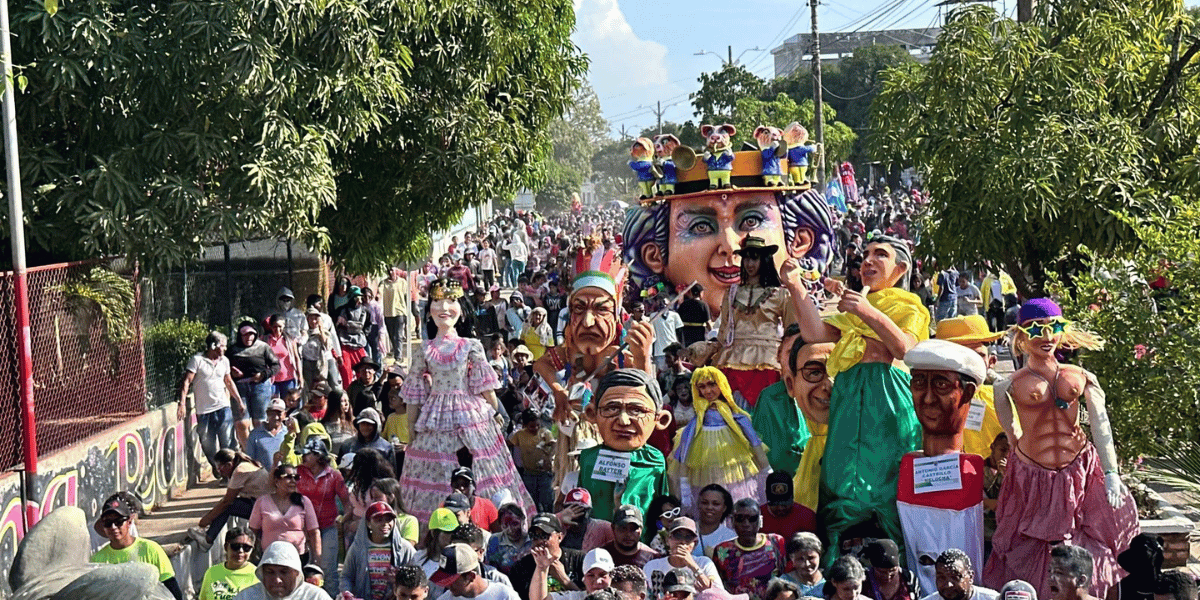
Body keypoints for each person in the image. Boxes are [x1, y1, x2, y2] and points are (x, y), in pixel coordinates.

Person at [785, 235, 928, 565]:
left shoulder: (909, 305)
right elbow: (815, 333)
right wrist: (795, 286)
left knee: (887, 487)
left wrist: (866, 312)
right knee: (839, 481)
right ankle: (838, 568)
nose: (868, 259)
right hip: (849, 399)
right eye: (865, 254)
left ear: (900, 268)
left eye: (880, 254)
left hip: (887, 400)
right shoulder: (854, 309)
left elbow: (905, 349)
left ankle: (896, 572)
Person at [984, 300, 1138, 600]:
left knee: (1088, 542)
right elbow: (1013, 437)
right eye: (1036, 329)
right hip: (1034, 480)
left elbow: (1100, 423)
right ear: (1021, 334)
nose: (1047, 336)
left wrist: (1110, 473)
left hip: (1079, 470)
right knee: (1027, 551)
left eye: (1053, 327)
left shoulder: (1080, 376)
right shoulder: (1007, 386)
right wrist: (1023, 467)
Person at [399, 278, 534, 523]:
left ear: (461, 308)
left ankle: (487, 518)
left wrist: (494, 414)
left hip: (470, 414)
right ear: (429, 308)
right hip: (434, 416)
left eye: (450, 301)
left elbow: (484, 387)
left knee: (484, 466)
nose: (443, 308)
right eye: (437, 301)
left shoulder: (470, 345)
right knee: (435, 471)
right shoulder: (425, 348)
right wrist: (411, 430)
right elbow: (414, 393)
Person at [897, 340, 988, 592]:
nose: (927, 398)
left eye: (940, 385)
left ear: (968, 393)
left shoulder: (975, 471)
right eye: (918, 384)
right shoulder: (907, 466)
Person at [574, 368, 672, 527]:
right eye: (612, 408)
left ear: (660, 419)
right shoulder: (589, 458)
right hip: (597, 545)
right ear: (592, 414)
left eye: (637, 410)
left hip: (642, 545)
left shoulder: (655, 460)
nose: (624, 421)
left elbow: (663, 507)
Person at [713, 236, 798, 409]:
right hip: (731, 359)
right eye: (746, 258)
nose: (749, 263)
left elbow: (792, 332)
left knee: (766, 414)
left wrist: (788, 362)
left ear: (764, 260)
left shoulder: (780, 294)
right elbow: (723, 331)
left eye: (755, 258)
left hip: (769, 361)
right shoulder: (731, 292)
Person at [668, 367, 768, 512]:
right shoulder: (697, 421)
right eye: (702, 387)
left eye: (712, 384)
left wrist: (766, 469)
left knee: (734, 493)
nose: (708, 391)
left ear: (721, 384)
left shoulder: (735, 416)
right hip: (702, 454)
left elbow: (753, 440)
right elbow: (685, 447)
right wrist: (684, 483)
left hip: (731, 452)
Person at [91, 493, 184, 600]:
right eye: (108, 522)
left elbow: (172, 589)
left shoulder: (151, 549)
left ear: (129, 522)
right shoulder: (97, 560)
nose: (113, 527)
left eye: (118, 521)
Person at [179, 331, 244, 470]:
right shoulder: (197, 360)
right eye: (223, 346)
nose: (225, 349)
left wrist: (239, 401)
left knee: (226, 442)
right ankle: (217, 467)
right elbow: (186, 382)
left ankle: (228, 474)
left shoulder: (224, 361)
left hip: (223, 407)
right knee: (207, 444)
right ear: (213, 345)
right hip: (204, 411)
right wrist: (182, 404)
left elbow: (228, 381)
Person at [751, 326, 810, 478]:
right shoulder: (768, 397)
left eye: (802, 352)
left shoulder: (823, 393)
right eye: (790, 352)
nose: (795, 360)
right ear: (778, 355)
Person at [294, 437, 350, 597]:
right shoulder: (298, 472)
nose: (303, 457)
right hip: (302, 528)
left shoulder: (334, 476)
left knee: (329, 570)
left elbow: (346, 502)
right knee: (304, 569)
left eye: (307, 454)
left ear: (318, 456)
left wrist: (344, 520)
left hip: (328, 526)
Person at [192, 448, 273, 549]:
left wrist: (205, 520)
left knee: (228, 506)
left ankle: (208, 539)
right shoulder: (246, 464)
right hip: (263, 504)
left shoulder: (240, 471)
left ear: (228, 465)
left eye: (219, 468)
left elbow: (227, 501)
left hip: (263, 508)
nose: (219, 472)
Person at [712, 499, 787, 600]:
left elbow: (784, 576)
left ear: (760, 521)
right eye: (739, 518)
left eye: (752, 518)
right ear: (732, 522)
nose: (746, 524)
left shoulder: (776, 542)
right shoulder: (722, 550)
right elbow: (719, 587)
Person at [342, 501, 419, 600]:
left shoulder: (405, 549)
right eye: (379, 520)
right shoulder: (358, 548)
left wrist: (400, 579)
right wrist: (347, 593)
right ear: (369, 523)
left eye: (388, 520)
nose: (385, 524)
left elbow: (418, 577)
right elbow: (346, 576)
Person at [250, 464, 321, 566]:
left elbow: (314, 532)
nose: (293, 481)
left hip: (298, 557)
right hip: (270, 558)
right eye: (288, 477)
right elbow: (253, 531)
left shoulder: (304, 501)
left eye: (295, 477)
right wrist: (251, 554)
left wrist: (317, 558)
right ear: (276, 481)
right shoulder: (262, 502)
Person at [642, 518, 723, 600]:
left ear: (695, 544)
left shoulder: (704, 563)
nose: (682, 542)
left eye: (688, 537)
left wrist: (693, 566)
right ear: (668, 540)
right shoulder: (652, 567)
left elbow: (719, 596)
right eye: (678, 535)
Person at [229, 321, 282, 444]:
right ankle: (248, 451)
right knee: (241, 423)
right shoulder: (232, 350)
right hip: (239, 388)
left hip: (260, 387)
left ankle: (261, 448)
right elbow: (224, 367)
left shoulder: (263, 347)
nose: (249, 337)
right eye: (245, 335)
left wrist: (263, 375)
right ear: (240, 336)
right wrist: (232, 373)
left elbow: (276, 365)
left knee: (259, 422)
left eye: (251, 334)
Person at [510, 514, 586, 600]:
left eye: (544, 535)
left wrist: (564, 580)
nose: (539, 541)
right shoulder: (520, 568)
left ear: (560, 537)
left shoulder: (579, 560)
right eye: (534, 536)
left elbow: (592, 597)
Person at [232, 540, 332, 600]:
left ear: (296, 573)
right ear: (262, 573)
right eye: (270, 572)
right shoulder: (246, 597)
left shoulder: (316, 597)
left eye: (284, 572)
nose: (277, 580)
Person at [432, 543, 520, 600]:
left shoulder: (504, 595)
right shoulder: (446, 599)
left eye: (452, 581)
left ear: (471, 576)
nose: (447, 586)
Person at [511, 410, 556, 512]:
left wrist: (549, 456)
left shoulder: (545, 433)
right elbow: (508, 445)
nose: (535, 428)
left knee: (547, 500)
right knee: (532, 502)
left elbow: (553, 445)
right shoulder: (519, 435)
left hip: (544, 474)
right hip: (528, 474)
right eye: (531, 426)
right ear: (525, 425)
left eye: (537, 425)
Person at [531, 547, 615, 600]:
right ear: (584, 579)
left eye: (603, 575)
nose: (597, 581)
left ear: (611, 577)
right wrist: (541, 568)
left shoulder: (621, 597)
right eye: (591, 575)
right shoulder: (574, 598)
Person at [199, 527, 260, 600]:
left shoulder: (258, 576)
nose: (240, 551)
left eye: (246, 547)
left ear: (252, 550)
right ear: (226, 547)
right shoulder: (212, 572)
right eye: (235, 546)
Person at [919, 550, 997, 600]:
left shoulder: (993, 598)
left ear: (970, 577)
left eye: (955, 577)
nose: (948, 585)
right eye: (941, 578)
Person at [759, 472, 816, 540]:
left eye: (785, 504)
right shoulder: (756, 517)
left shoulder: (807, 516)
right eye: (775, 504)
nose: (780, 508)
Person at [449, 466, 502, 532]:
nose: (461, 488)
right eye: (456, 485)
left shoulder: (487, 506)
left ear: (474, 486)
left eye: (465, 484)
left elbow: (499, 536)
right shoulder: (446, 508)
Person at [488, 503, 532, 576]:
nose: (510, 529)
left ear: (523, 520)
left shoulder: (532, 540)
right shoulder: (495, 540)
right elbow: (493, 570)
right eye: (505, 525)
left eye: (515, 524)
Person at [381, 267, 413, 364]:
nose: (391, 272)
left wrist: (408, 312)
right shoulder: (384, 283)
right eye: (389, 270)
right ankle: (396, 353)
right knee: (392, 335)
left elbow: (407, 296)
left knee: (398, 335)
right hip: (388, 313)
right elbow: (379, 292)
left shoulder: (402, 282)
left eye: (392, 270)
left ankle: (398, 357)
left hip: (400, 312)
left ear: (396, 271)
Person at [694, 485, 735, 558]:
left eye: (716, 504)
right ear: (699, 505)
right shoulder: (686, 531)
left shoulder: (730, 538)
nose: (709, 507)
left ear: (724, 508)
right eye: (705, 503)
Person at [266, 314, 303, 398]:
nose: (277, 329)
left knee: (290, 404)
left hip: (288, 378)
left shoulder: (289, 340)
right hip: (271, 379)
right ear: (271, 326)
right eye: (275, 326)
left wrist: (300, 376)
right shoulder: (265, 340)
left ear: (284, 326)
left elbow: (296, 358)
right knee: (273, 406)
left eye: (280, 326)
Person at [249, 398, 289, 470]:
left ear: (285, 414)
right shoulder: (254, 434)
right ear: (267, 413)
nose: (276, 417)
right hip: (263, 478)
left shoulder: (289, 433)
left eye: (279, 414)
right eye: (272, 414)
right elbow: (249, 460)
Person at [779, 533, 824, 597]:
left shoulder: (830, 580)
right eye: (800, 559)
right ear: (792, 559)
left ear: (820, 555)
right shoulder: (783, 584)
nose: (807, 564)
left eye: (811, 558)